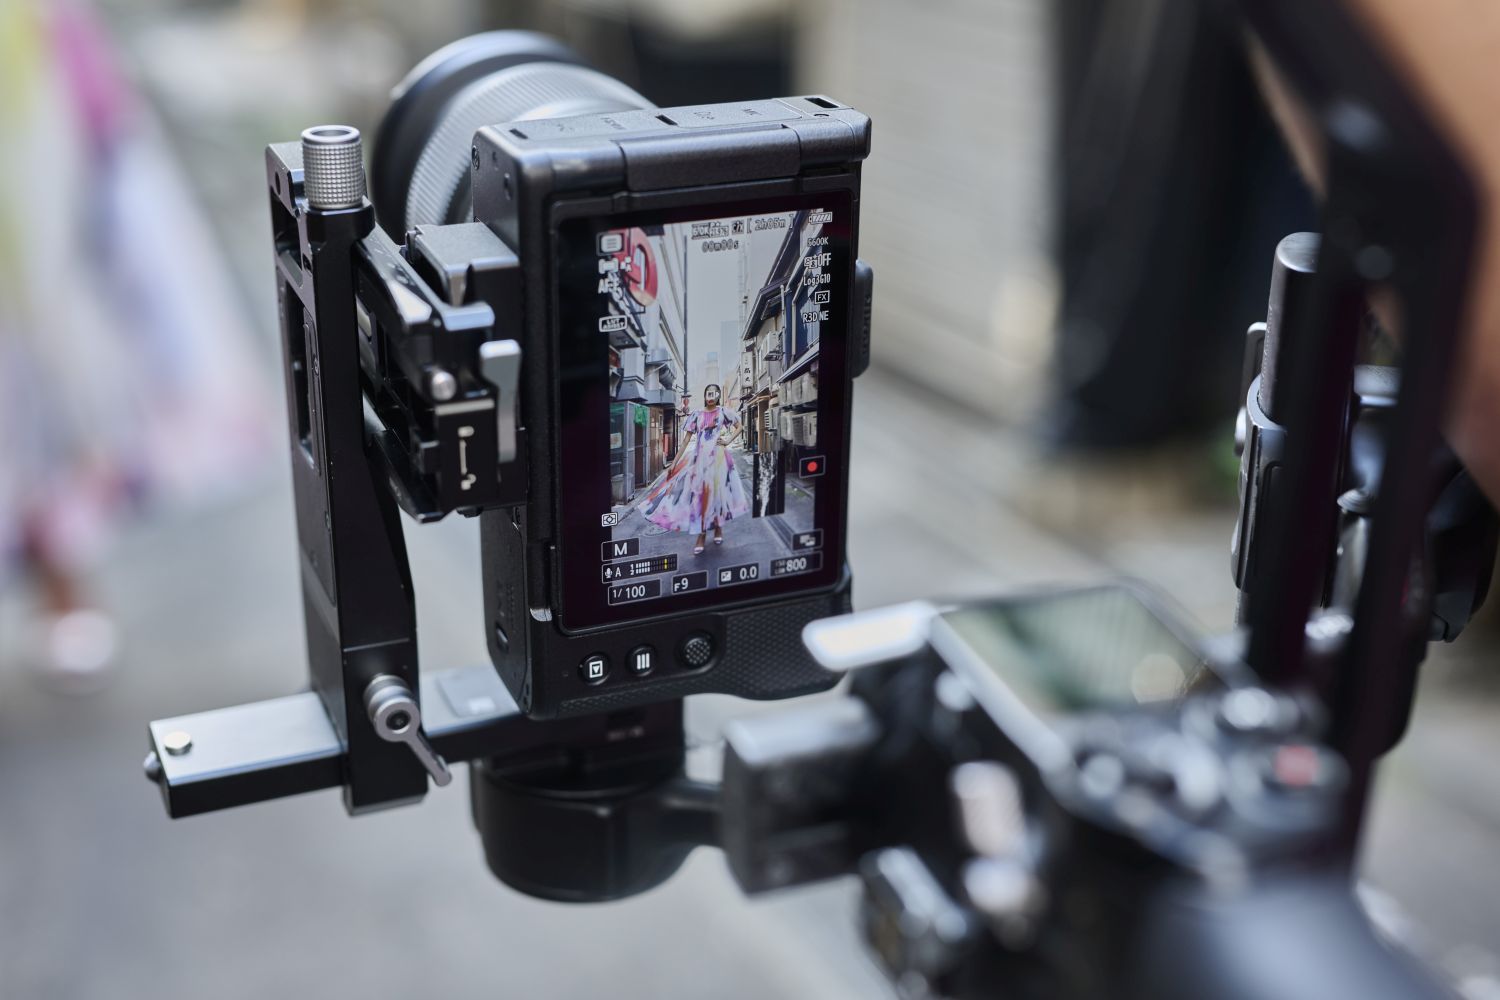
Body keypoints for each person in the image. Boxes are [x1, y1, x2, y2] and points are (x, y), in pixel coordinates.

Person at [639, 384, 749, 554]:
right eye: (708, 393)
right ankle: (701, 535)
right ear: (705, 396)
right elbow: (685, 442)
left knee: (717, 495)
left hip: (719, 460)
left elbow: (740, 426)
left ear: (718, 396)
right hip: (699, 461)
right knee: (700, 497)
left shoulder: (723, 412)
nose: (711, 396)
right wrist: (674, 463)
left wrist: (728, 441)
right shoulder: (696, 415)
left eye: (714, 394)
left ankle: (718, 528)